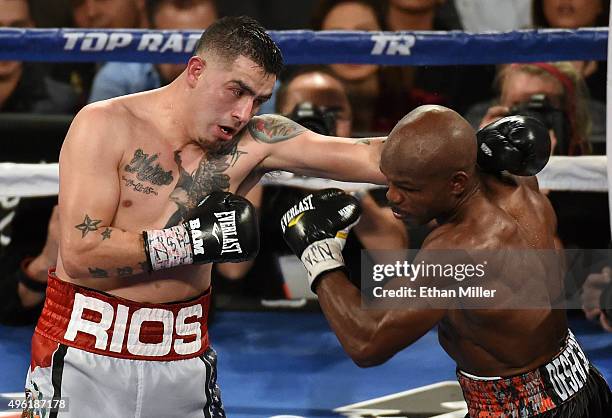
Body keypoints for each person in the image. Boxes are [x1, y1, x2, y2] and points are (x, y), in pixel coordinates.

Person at [24, 16, 389, 417]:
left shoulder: (257, 139)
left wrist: (463, 145)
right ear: (196, 70)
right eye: (237, 91)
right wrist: (193, 240)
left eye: (258, 100)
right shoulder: (106, 124)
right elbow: (81, 252)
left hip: (183, 356)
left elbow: (371, 155)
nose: (242, 113)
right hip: (81, 353)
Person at [281, 106, 612, 417]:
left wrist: (319, 256)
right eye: (388, 181)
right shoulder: (516, 179)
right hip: (578, 381)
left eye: (408, 188)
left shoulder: (462, 248)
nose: (393, 196)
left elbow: (367, 343)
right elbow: (443, 148)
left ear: (457, 183)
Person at [88, 0, 219, 103]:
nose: (186, 63)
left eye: (195, 48)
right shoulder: (118, 79)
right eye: (171, 47)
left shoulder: (233, 78)